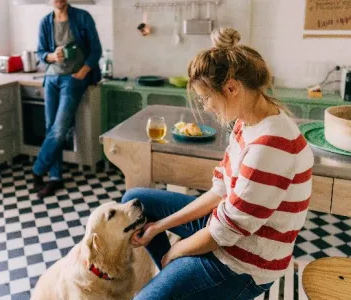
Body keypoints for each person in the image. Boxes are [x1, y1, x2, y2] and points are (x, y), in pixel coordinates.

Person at [122, 27, 314, 299]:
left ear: (232, 88)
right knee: (137, 202)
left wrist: (174, 253)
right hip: (226, 232)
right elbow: (221, 190)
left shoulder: (270, 148)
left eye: (206, 98)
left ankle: (173, 282)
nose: (207, 107)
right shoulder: (248, 121)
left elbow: (221, 234)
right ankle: (174, 283)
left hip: (243, 264)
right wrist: (158, 226)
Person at [32, 0, 102, 199]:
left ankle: (37, 169)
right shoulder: (45, 22)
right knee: (51, 128)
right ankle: (55, 177)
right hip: (52, 78)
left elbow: (96, 50)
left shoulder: (82, 17)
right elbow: (40, 52)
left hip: (73, 79)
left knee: (60, 129)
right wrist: (52, 56)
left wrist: (83, 71)